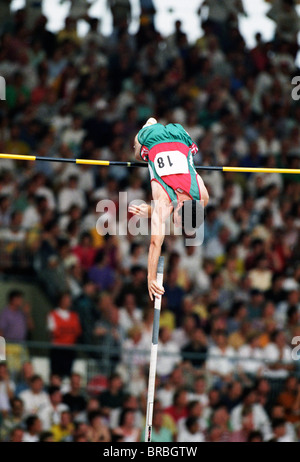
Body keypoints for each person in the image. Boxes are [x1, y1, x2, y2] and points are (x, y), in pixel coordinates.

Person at [130, 118, 209, 300]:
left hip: (180, 135)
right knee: (136, 154)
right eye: (178, 221)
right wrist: (151, 278)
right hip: (151, 138)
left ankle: (156, 125)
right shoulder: (164, 202)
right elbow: (155, 243)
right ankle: (149, 124)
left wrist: (151, 210)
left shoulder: (202, 195)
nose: (175, 224)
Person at [47, 292, 82, 377]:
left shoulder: (74, 316)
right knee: (56, 375)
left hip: (70, 350)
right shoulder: (53, 314)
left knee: (68, 374)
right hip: (58, 349)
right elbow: (53, 333)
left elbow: (77, 332)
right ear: (61, 300)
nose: (69, 301)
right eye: (66, 299)